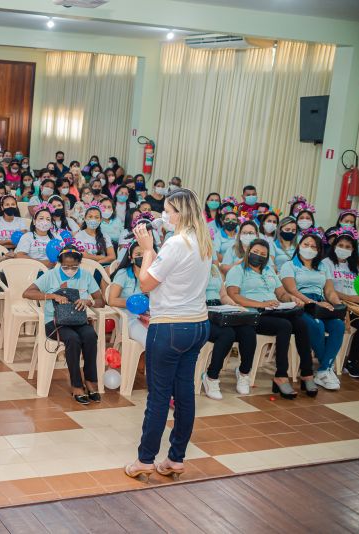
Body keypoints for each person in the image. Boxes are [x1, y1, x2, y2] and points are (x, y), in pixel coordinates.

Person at [125, 188, 212, 481]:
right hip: (198, 323)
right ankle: (175, 459)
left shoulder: (176, 243)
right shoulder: (203, 240)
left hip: (171, 326)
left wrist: (148, 249)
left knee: (159, 396)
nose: (165, 215)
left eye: (168, 210)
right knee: (185, 392)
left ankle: (144, 460)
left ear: (180, 213)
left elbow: (147, 284)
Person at [226, 238, 315, 398]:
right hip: (253, 314)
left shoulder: (268, 270)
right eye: (255, 252)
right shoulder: (238, 270)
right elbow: (234, 295)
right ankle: (281, 374)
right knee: (284, 326)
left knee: (301, 324)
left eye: (263, 254)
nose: (258, 256)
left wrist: (290, 299)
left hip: (273, 310)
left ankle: (307, 372)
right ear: (248, 252)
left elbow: (280, 293)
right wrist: (261, 304)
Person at [23, 241, 104, 403]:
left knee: (90, 336)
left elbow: (101, 300)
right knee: (72, 339)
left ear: (79, 264)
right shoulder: (51, 275)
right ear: (60, 263)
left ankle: (90, 381)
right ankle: (76, 385)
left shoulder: (86, 275)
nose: (70, 270)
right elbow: (27, 293)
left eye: (74, 266)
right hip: (54, 321)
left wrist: (89, 302)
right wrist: (52, 296)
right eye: (66, 266)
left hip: (78, 320)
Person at [279, 229, 345, 390]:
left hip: (321, 303)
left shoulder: (322, 266)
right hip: (301, 304)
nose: (309, 248)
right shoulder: (289, 265)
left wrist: (339, 306)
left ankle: (322, 371)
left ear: (319, 250)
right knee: (317, 326)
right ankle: (326, 369)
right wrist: (312, 303)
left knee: (338, 324)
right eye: (305, 244)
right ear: (299, 245)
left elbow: (329, 291)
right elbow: (292, 290)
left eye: (313, 246)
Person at [201, 264, 257, 399]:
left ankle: (243, 373)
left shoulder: (213, 268)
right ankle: (211, 376)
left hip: (220, 310)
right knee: (227, 334)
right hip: (202, 311)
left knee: (248, 331)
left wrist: (234, 305)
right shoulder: (190, 266)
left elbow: (223, 295)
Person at [322, 228, 359, 379]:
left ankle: (352, 360)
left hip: (356, 306)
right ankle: (344, 361)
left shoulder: (354, 268)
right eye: (341, 245)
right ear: (334, 246)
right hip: (335, 303)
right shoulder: (326, 263)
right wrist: (349, 298)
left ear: (353, 250)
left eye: (348, 247)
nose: (344, 249)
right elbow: (327, 289)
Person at [108, 241, 150, 346]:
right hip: (129, 317)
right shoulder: (124, 274)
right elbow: (111, 300)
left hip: (151, 315)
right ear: (131, 258)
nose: (142, 257)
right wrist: (134, 303)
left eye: (145, 253)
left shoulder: (153, 274)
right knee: (149, 341)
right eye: (138, 254)